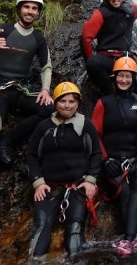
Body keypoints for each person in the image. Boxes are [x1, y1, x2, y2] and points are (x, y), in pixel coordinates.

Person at [0, 0, 55, 212]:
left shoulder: (38, 38)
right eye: (27, 7)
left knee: (51, 109)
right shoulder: (2, 29)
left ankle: (9, 140)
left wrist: (45, 90)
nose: (30, 12)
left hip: (20, 89)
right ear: (19, 9)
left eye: (35, 8)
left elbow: (46, 66)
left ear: (39, 13)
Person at [26, 82, 101, 257]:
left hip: (76, 187)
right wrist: (38, 182)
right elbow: (31, 156)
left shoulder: (86, 125)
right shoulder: (44, 126)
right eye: (63, 101)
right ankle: (35, 260)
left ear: (78, 103)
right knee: (42, 224)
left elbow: (96, 154)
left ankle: (75, 259)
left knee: (75, 227)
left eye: (71, 101)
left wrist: (90, 180)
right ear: (55, 102)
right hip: (49, 187)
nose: (67, 105)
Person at [91, 57, 137, 255]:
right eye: (121, 76)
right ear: (114, 77)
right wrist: (105, 160)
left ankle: (129, 239)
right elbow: (95, 134)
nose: (124, 80)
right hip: (111, 161)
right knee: (124, 191)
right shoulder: (104, 103)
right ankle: (131, 238)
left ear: (133, 78)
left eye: (128, 76)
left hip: (134, 159)